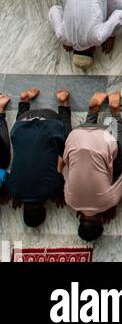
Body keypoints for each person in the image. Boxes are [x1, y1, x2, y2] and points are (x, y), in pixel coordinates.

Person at [60, 90, 122, 241]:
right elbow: (65, 170)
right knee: (76, 156)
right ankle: (92, 112)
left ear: (101, 221)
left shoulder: (109, 201)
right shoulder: (69, 201)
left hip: (105, 135)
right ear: (80, 220)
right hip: (76, 135)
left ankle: (115, 113)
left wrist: (111, 203)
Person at [2, 88, 72, 229]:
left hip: (51, 119)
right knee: (21, 139)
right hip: (23, 121)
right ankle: (24, 101)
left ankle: (63, 104)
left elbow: (61, 171)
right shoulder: (13, 191)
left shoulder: (51, 189)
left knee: (67, 147)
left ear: (44, 209)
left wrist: (57, 194)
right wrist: (16, 195)